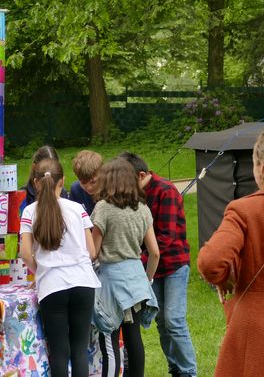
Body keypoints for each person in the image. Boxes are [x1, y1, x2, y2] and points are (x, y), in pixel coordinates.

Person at [197, 127, 264, 376]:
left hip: (256, 331)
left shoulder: (244, 210)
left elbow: (211, 261)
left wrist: (222, 277)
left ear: (262, 169)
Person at [19, 158, 101, 377]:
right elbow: (92, 252)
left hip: (52, 286)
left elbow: (26, 254)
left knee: (59, 352)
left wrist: (41, 270)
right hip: (83, 283)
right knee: (79, 351)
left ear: (36, 183)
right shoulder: (77, 209)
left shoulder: (29, 212)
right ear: (62, 181)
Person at [119, 151, 197, 377]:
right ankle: (175, 369)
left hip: (173, 266)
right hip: (151, 267)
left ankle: (188, 372)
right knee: (161, 323)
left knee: (174, 320)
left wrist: (136, 261)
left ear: (141, 175)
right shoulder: (133, 196)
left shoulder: (166, 191)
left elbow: (165, 238)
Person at [91, 158, 160, 377]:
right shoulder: (142, 209)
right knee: (134, 338)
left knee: (109, 339)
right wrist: (147, 279)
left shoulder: (103, 209)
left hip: (110, 281)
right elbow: (155, 252)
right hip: (136, 281)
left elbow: (93, 251)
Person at [68, 150, 120, 377]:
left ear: (103, 173)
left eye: (93, 181)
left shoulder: (115, 190)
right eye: (83, 182)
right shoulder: (76, 191)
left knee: (110, 328)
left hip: (110, 260)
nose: (89, 187)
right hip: (86, 262)